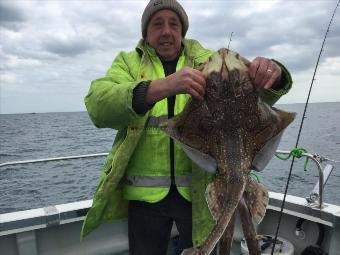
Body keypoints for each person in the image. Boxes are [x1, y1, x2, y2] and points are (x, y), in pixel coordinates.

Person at [81, 0, 292, 254]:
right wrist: (162, 87)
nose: (167, 30)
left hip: (199, 195)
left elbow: (262, 95)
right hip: (144, 199)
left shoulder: (208, 61)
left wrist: (276, 73)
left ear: (182, 31)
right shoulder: (128, 64)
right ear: (146, 33)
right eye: (157, 24)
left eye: (174, 23)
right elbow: (98, 104)